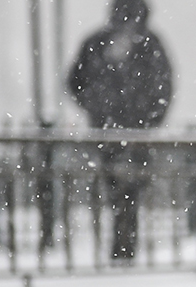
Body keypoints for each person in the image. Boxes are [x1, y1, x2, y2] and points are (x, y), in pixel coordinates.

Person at [67, 0, 172, 260]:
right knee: (129, 187)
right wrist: (150, 119)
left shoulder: (98, 43)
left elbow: (74, 82)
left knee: (116, 185)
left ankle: (121, 240)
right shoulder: (149, 45)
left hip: (110, 129)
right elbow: (164, 86)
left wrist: (96, 107)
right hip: (133, 131)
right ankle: (125, 241)